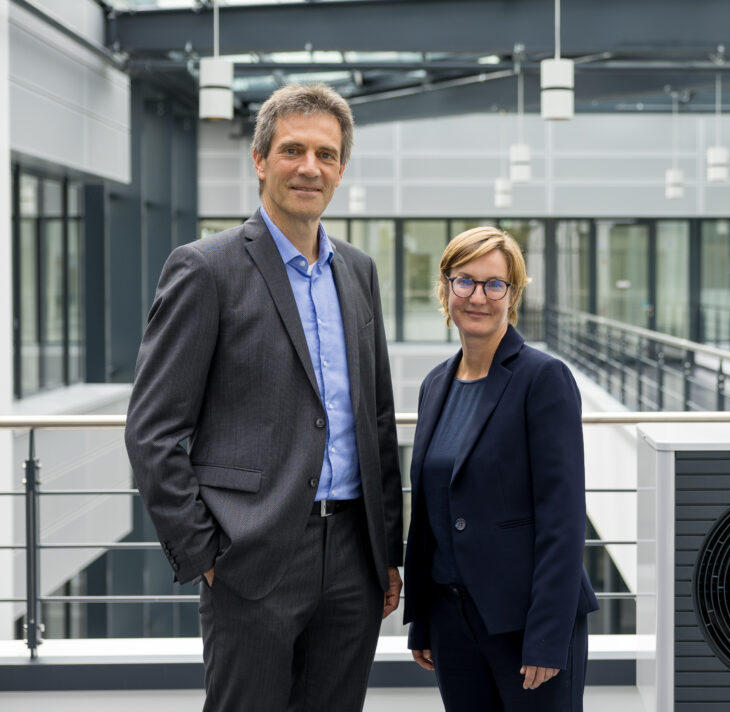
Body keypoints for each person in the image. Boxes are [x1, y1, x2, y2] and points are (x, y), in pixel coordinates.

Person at [124, 83, 403, 712]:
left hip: (355, 556)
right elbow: (152, 431)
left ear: (340, 169)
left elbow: (376, 419)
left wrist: (388, 551)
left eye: (326, 155)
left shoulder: (357, 271)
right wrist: (205, 554)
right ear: (260, 160)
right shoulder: (206, 268)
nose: (310, 167)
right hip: (252, 556)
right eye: (293, 150)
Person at [403, 226, 599, 711]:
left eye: (495, 284)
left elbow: (563, 515)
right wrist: (424, 619)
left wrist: (547, 636)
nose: (478, 297)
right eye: (464, 281)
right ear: (445, 289)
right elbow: (431, 515)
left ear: (512, 295)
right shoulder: (435, 384)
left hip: (526, 625)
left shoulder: (542, 378)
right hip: (453, 623)